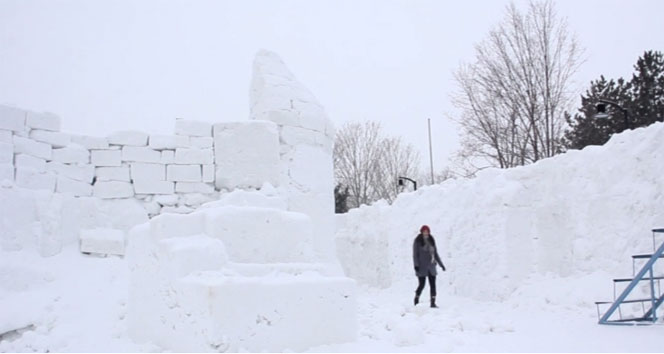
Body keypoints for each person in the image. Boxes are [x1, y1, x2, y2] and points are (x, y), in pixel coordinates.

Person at [412, 225, 446, 308]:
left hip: (431, 266)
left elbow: (436, 254)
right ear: (422, 231)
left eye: (427, 231)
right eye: (424, 231)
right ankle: (416, 298)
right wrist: (416, 265)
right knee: (422, 284)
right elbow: (415, 255)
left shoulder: (431, 240)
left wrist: (441, 265)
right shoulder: (417, 241)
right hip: (421, 267)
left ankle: (433, 302)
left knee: (433, 285)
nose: (426, 232)